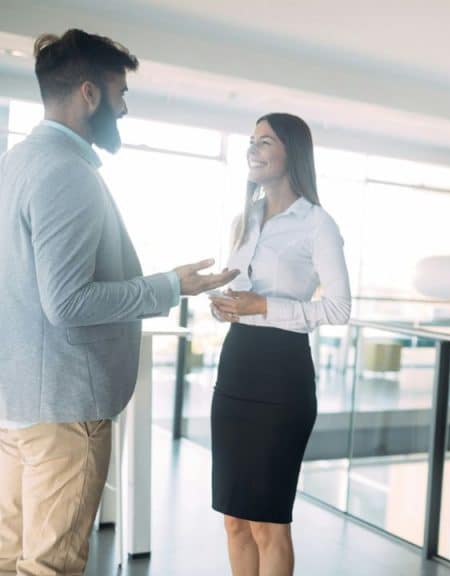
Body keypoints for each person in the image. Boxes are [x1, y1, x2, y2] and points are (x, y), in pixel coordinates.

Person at [0, 29, 236, 575]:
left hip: (17, 406)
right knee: (48, 566)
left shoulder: (14, 165)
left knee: (10, 556)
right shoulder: (67, 173)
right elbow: (68, 302)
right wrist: (171, 285)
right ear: (89, 93)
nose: (124, 106)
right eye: (119, 91)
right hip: (63, 411)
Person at [208, 113, 352, 576]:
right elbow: (242, 294)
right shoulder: (243, 220)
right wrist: (226, 306)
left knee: (269, 523)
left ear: (293, 151)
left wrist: (263, 307)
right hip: (235, 369)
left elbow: (338, 309)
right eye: (251, 140)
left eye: (265, 141)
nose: (253, 149)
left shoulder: (317, 224)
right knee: (234, 520)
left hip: (281, 378)